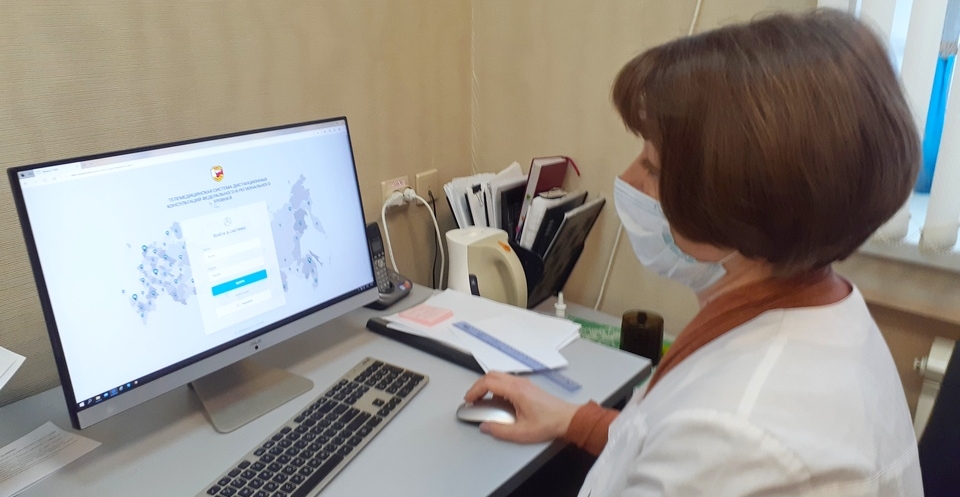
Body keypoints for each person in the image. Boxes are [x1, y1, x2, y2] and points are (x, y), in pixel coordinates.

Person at [464, 10, 923, 497]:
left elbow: (705, 447)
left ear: (740, 202)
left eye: (652, 167)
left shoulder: (738, 436)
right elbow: (663, 434)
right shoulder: (818, 305)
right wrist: (575, 420)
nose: (628, 180)